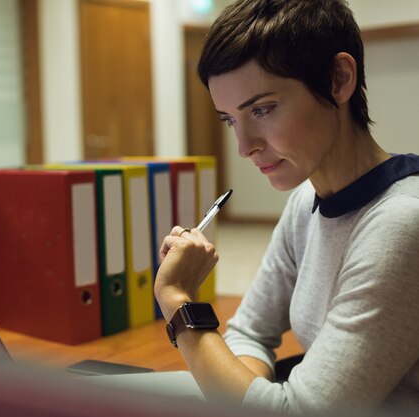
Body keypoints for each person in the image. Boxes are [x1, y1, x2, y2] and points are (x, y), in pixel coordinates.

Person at [154, 0, 419, 413]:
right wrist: (248, 399)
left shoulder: (401, 223)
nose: (244, 148)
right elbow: (250, 332)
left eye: (262, 109)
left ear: (338, 79)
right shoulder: (305, 203)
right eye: (230, 120)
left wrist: (177, 301)